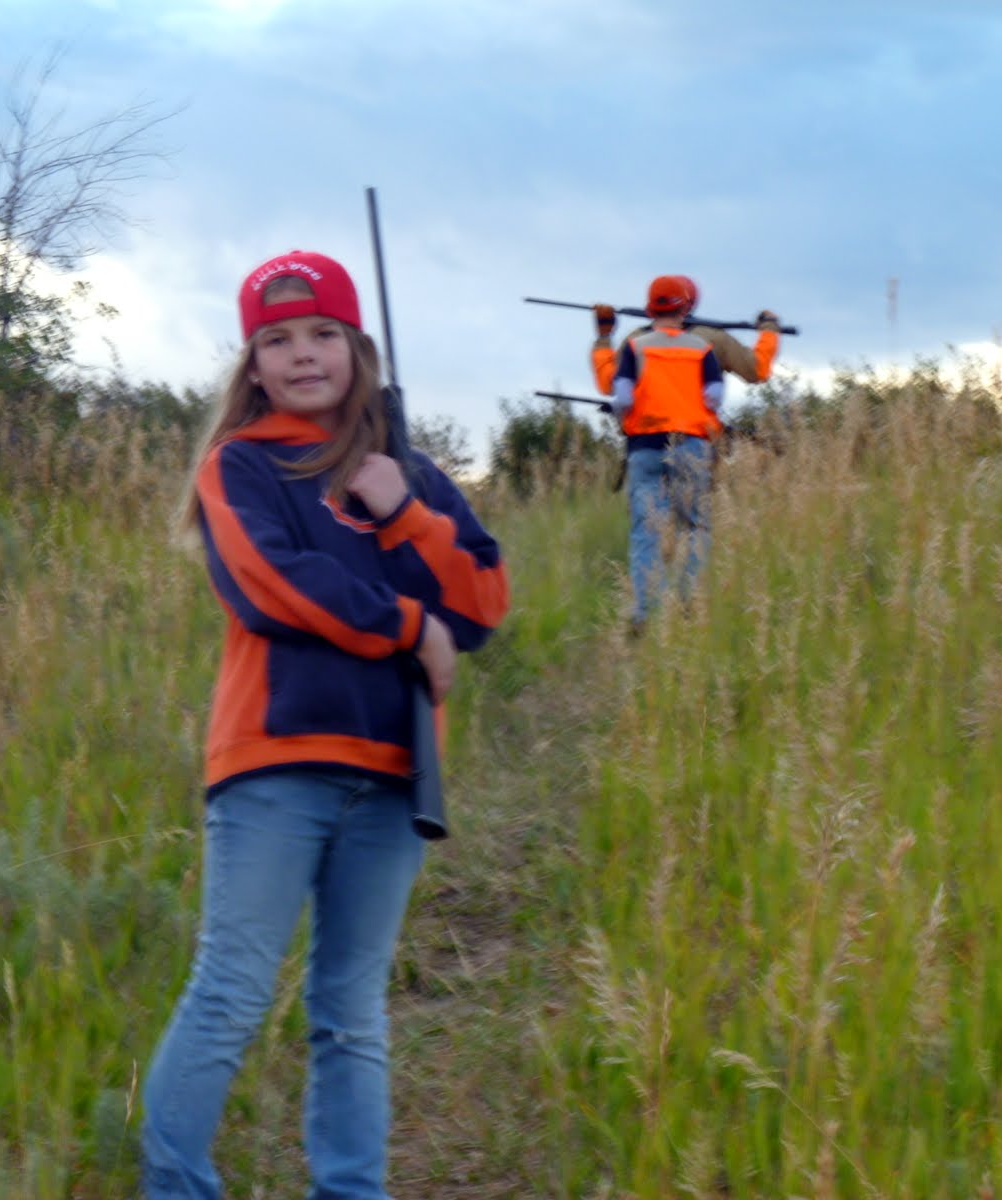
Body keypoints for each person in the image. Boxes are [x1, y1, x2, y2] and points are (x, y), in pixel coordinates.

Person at [141, 249, 509, 1200]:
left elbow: (482, 604)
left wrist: (405, 517)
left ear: (356, 347)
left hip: (393, 776)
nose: (302, 355)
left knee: (350, 1010)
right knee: (230, 994)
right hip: (276, 764)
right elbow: (272, 587)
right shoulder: (241, 467)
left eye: (321, 334)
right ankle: (176, 1186)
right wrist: (406, 625)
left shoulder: (409, 472)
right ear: (252, 364)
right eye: (277, 339)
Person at [594, 274, 731, 629]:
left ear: (649, 307)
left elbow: (622, 395)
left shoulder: (636, 348)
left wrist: (630, 416)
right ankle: (688, 605)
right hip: (690, 445)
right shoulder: (702, 349)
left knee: (646, 531)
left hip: (645, 446)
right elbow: (714, 397)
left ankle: (645, 612)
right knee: (695, 526)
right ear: (686, 307)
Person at [590, 274, 783, 394]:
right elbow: (757, 371)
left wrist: (604, 337)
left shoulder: (636, 340)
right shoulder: (713, 338)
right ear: (689, 304)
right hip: (696, 442)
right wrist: (769, 329)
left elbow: (609, 385)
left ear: (650, 305)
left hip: (644, 441)